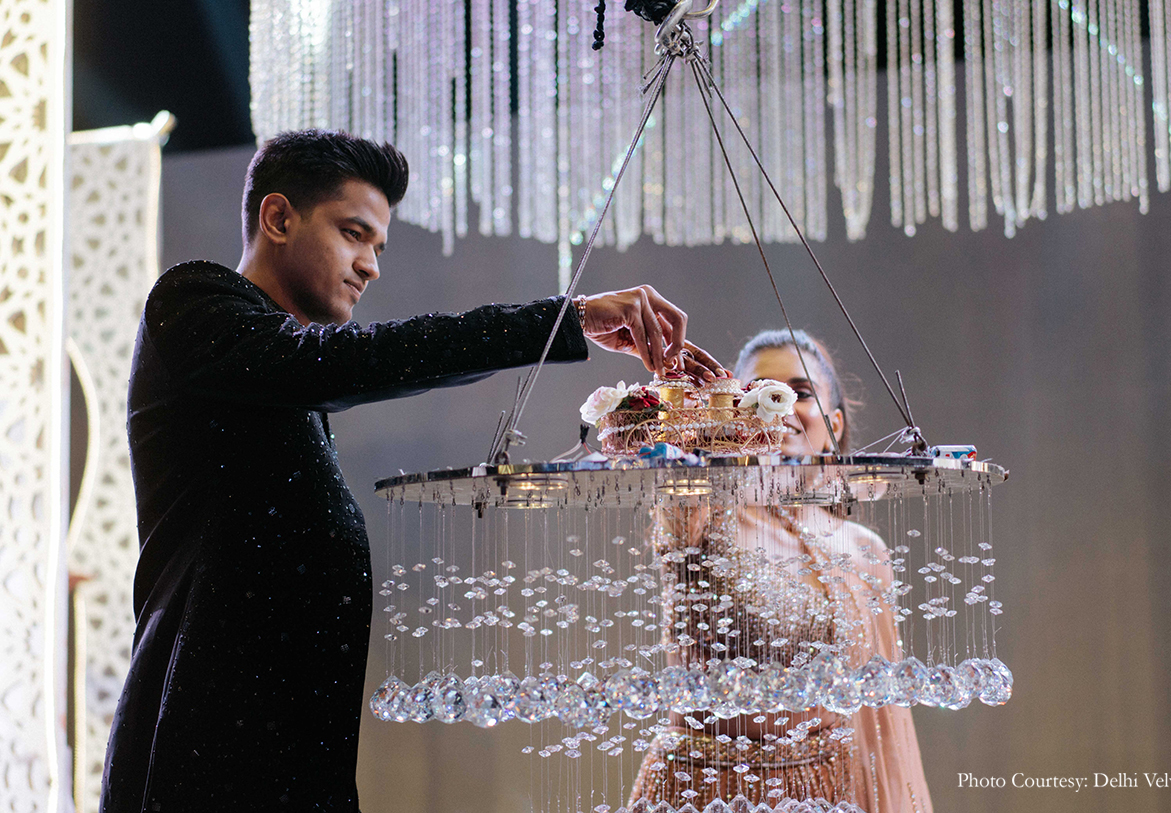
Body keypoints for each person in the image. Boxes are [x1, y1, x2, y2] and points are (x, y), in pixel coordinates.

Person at [100, 129, 724, 813]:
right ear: (278, 218)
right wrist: (563, 319)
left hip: (288, 760)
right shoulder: (192, 302)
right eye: (354, 233)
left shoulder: (277, 380)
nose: (371, 265)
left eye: (379, 246)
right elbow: (352, 359)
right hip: (201, 754)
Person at [630, 329, 933, 813]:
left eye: (802, 393)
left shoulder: (863, 551)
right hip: (705, 795)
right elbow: (674, 470)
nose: (780, 409)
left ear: (833, 424)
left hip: (829, 793)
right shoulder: (701, 516)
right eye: (758, 394)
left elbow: (883, 724)